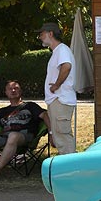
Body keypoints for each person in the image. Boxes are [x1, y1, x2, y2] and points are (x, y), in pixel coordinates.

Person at [37, 21, 77, 154]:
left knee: (63, 137)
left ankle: (71, 169)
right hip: (58, 100)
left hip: (61, 99)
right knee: (60, 137)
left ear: (50, 33)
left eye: (41, 34)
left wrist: (56, 85)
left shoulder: (62, 50)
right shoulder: (58, 51)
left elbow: (66, 66)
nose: (40, 37)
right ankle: (68, 167)